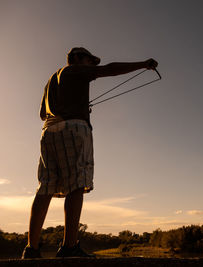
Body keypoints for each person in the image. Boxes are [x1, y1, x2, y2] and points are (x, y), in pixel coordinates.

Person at [21, 47, 158, 259]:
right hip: (74, 129)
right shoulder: (74, 70)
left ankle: (31, 249)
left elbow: (41, 114)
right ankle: (69, 247)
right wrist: (143, 64)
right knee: (77, 184)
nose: (92, 66)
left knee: (45, 187)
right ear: (76, 58)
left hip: (48, 131)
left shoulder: (50, 81)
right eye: (89, 61)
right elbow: (109, 70)